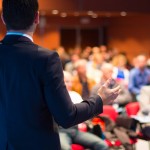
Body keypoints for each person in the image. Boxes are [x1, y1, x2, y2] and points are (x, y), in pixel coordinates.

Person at [0, 0, 120, 150]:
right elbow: (66, 116)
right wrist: (100, 99)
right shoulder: (45, 59)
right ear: (37, 17)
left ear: (3, 17)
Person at [59, 71, 108, 150]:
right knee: (65, 148)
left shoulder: (75, 95)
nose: (70, 84)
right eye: (67, 82)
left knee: (102, 145)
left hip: (75, 131)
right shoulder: (55, 98)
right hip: (61, 131)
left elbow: (85, 112)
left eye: (71, 82)